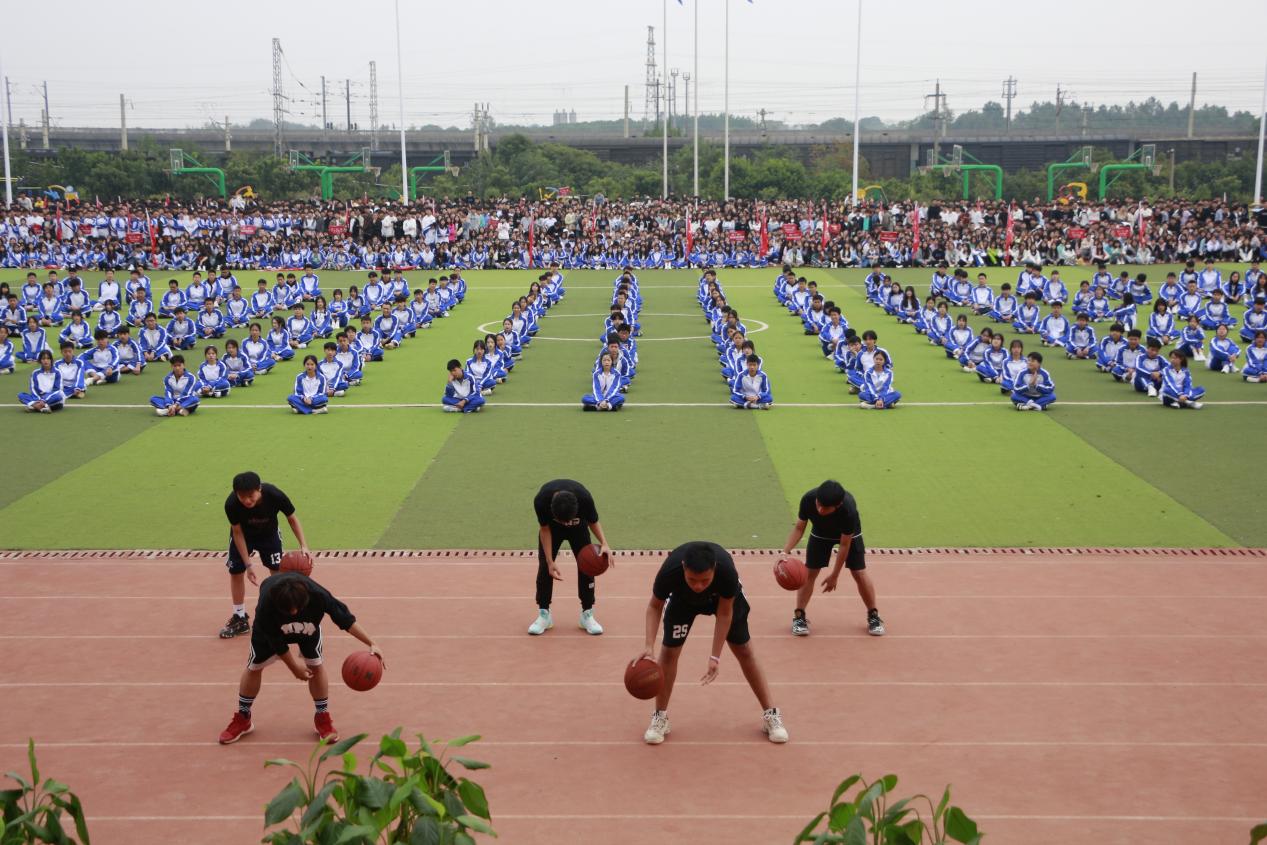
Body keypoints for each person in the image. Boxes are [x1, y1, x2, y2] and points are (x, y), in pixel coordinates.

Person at [637, 541, 788, 745]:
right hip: (683, 601)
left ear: (714, 569)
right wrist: (648, 646)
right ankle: (659, 717)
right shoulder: (669, 572)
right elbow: (654, 607)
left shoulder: (726, 573)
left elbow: (725, 613)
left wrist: (714, 656)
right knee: (669, 652)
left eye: (705, 580)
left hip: (721, 601)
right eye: (692, 579)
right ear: (683, 567)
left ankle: (771, 714)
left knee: (744, 649)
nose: (698, 586)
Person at [218, 571, 384, 745]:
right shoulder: (266, 604)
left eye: (297, 608)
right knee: (254, 667)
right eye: (288, 610)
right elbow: (276, 641)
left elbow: (346, 620)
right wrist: (294, 668)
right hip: (271, 631)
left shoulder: (319, 595)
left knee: (316, 666)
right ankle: (243, 718)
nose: (293, 612)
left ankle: (322, 717)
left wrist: (372, 643)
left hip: (308, 629)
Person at [779, 480, 884, 637]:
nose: (820, 509)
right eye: (819, 504)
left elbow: (844, 545)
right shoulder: (808, 499)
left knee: (859, 572)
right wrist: (785, 551)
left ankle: (873, 615)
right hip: (820, 532)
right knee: (809, 573)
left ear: (838, 504)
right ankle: (799, 617)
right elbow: (799, 528)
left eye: (826, 508)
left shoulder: (849, 511)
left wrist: (835, 575)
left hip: (849, 536)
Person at [219, 471, 312, 639]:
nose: (247, 500)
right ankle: (239, 617)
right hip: (244, 537)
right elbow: (237, 533)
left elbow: (292, 518)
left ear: (259, 489)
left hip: (269, 535)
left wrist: (303, 545)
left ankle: (280, 614)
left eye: (251, 495)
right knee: (236, 572)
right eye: (242, 496)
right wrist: (248, 565)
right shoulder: (231, 504)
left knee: (277, 574)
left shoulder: (274, 495)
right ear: (235, 494)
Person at [529, 479, 613, 636]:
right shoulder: (541, 500)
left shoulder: (584, 498)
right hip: (553, 531)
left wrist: (604, 543)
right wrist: (549, 561)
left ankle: (587, 614)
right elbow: (545, 529)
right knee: (544, 568)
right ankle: (544, 614)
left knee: (588, 567)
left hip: (579, 528)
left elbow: (593, 522)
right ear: (551, 509)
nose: (566, 523)